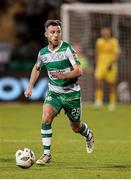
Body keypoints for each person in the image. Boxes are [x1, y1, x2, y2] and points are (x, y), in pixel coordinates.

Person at [24, 19, 94, 165]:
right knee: (46, 118)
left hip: (71, 94)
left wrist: (63, 76)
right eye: (52, 32)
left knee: (75, 127)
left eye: (58, 32)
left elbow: (79, 71)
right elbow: (36, 68)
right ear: (46, 34)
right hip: (54, 93)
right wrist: (30, 86)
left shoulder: (68, 49)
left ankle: (88, 134)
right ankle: (46, 154)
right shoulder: (42, 53)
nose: (56, 35)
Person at [94, 26, 120, 111]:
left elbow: (117, 54)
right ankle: (98, 101)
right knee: (98, 81)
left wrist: (111, 63)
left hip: (110, 65)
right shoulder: (99, 41)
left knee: (112, 84)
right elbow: (97, 53)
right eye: (103, 30)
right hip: (101, 65)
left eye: (106, 30)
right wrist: (97, 64)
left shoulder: (114, 41)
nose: (105, 32)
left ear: (110, 32)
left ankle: (112, 102)